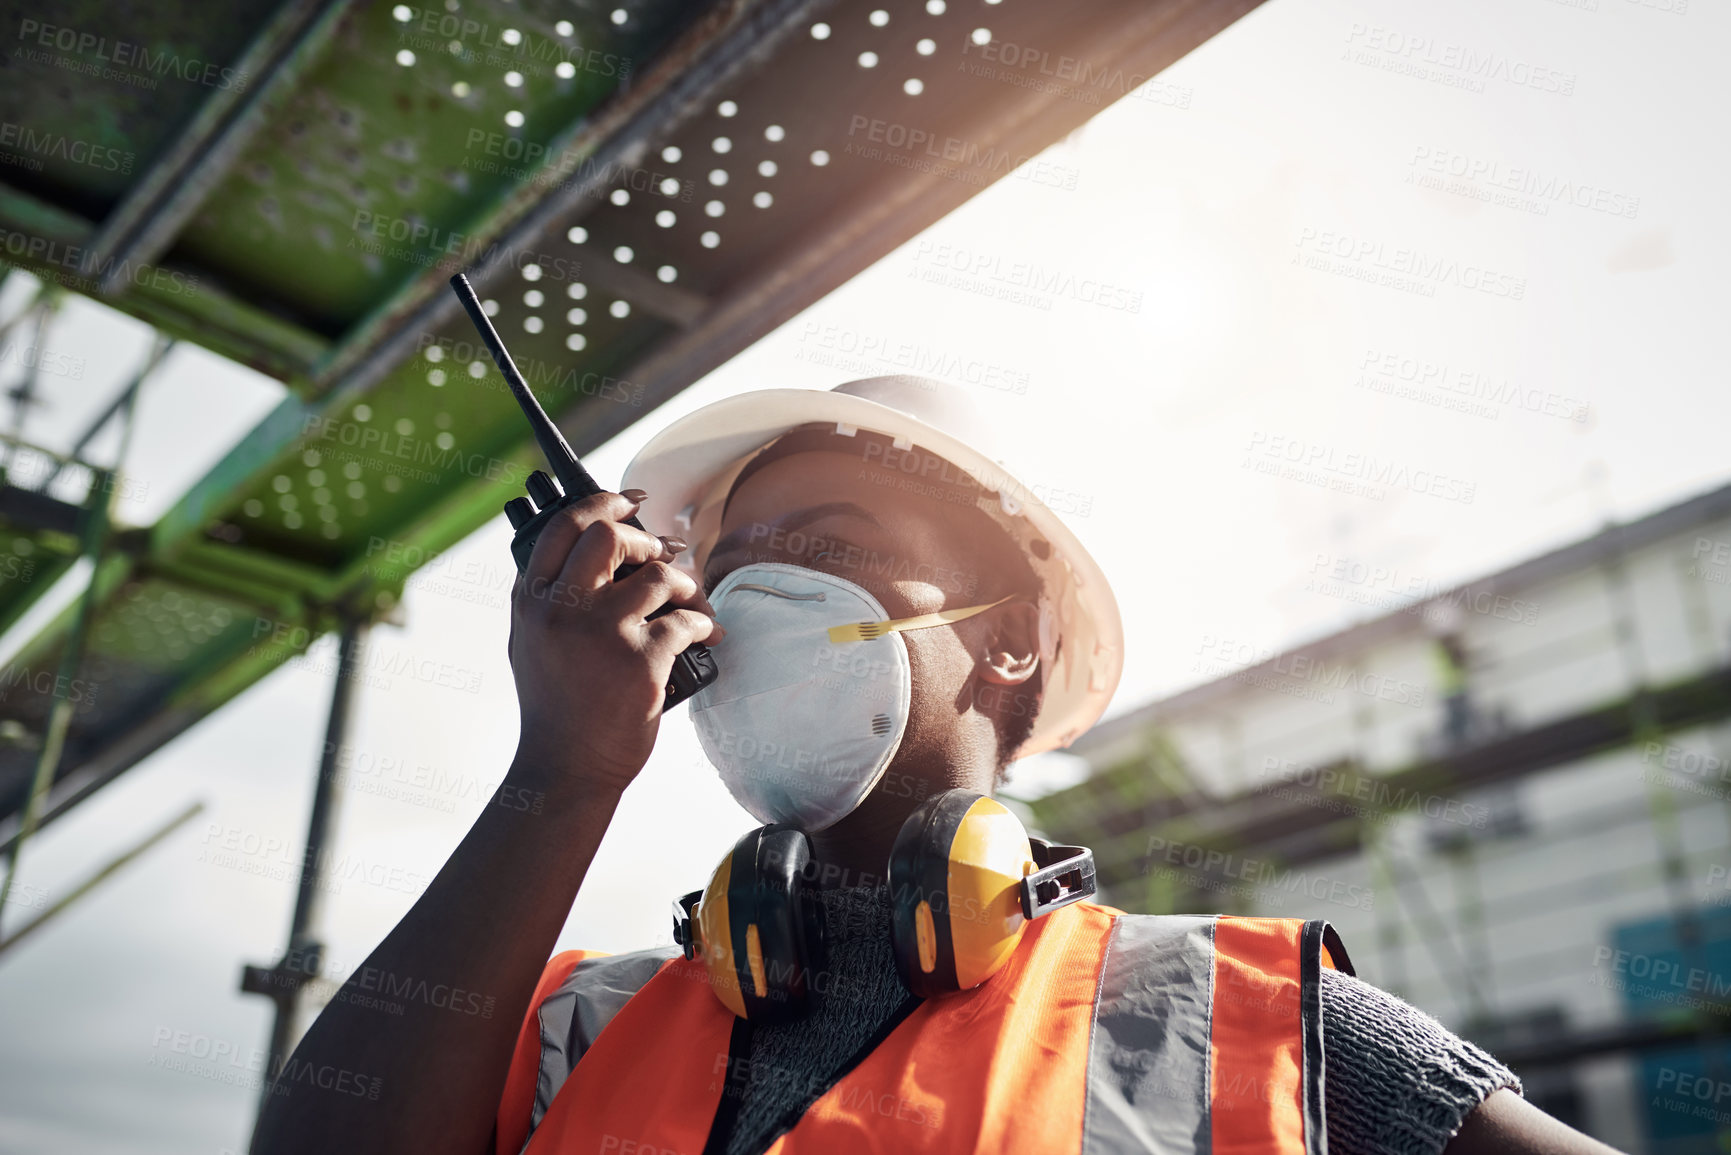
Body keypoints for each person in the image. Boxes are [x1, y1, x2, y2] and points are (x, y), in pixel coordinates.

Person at [254, 377, 1622, 1155]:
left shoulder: (1255, 1032)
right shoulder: (566, 1028)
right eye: (731, 567)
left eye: (831, 550)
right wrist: (562, 773)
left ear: (1011, 642)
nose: (753, 598)